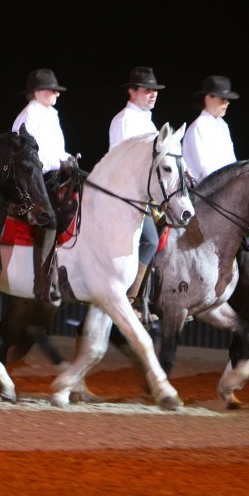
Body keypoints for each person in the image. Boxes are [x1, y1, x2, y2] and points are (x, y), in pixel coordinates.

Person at [108, 66, 165, 313]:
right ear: (132, 91)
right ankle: (129, 298)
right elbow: (121, 160)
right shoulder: (125, 120)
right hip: (126, 194)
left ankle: (148, 296)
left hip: (146, 195)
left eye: (155, 91)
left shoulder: (148, 122)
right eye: (147, 90)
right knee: (150, 240)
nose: (152, 95)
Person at [12, 68, 71, 305]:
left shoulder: (51, 114)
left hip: (51, 178)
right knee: (49, 219)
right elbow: (30, 159)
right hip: (30, 182)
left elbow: (56, 150)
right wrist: (61, 161)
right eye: (51, 89)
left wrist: (69, 160)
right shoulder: (30, 116)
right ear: (36, 92)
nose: (56, 93)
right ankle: (42, 283)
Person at [182, 75, 240, 184]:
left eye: (228, 99)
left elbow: (232, 162)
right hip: (204, 193)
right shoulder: (199, 127)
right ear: (208, 98)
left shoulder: (223, 125)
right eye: (222, 98)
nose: (227, 102)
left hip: (225, 188)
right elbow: (205, 171)